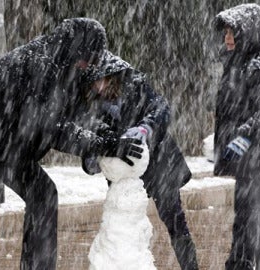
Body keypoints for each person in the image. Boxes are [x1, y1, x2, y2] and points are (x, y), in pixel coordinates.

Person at [0, 18, 144, 270]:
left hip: (8, 140)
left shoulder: (68, 68)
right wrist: (100, 144)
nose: (90, 65)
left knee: (43, 195)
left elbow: (75, 115)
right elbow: (52, 128)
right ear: (75, 49)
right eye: (88, 58)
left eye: (94, 60)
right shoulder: (40, 64)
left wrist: (109, 137)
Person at [78, 50, 199, 270]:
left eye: (99, 80)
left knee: (175, 223)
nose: (96, 86)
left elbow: (161, 108)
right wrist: (95, 156)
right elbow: (87, 136)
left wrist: (146, 128)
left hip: (160, 165)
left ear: (108, 73)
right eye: (91, 81)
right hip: (124, 175)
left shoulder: (134, 83)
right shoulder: (89, 103)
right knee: (124, 227)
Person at [212, 4, 260, 270]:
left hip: (259, 158)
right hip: (248, 159)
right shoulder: (240, 66)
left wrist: (244, 136)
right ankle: (239, 264)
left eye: (233, 32)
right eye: (226, 32)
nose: (227, 38)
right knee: (246, 217)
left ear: (249, 34)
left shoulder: (259, 69)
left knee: (256, 219)